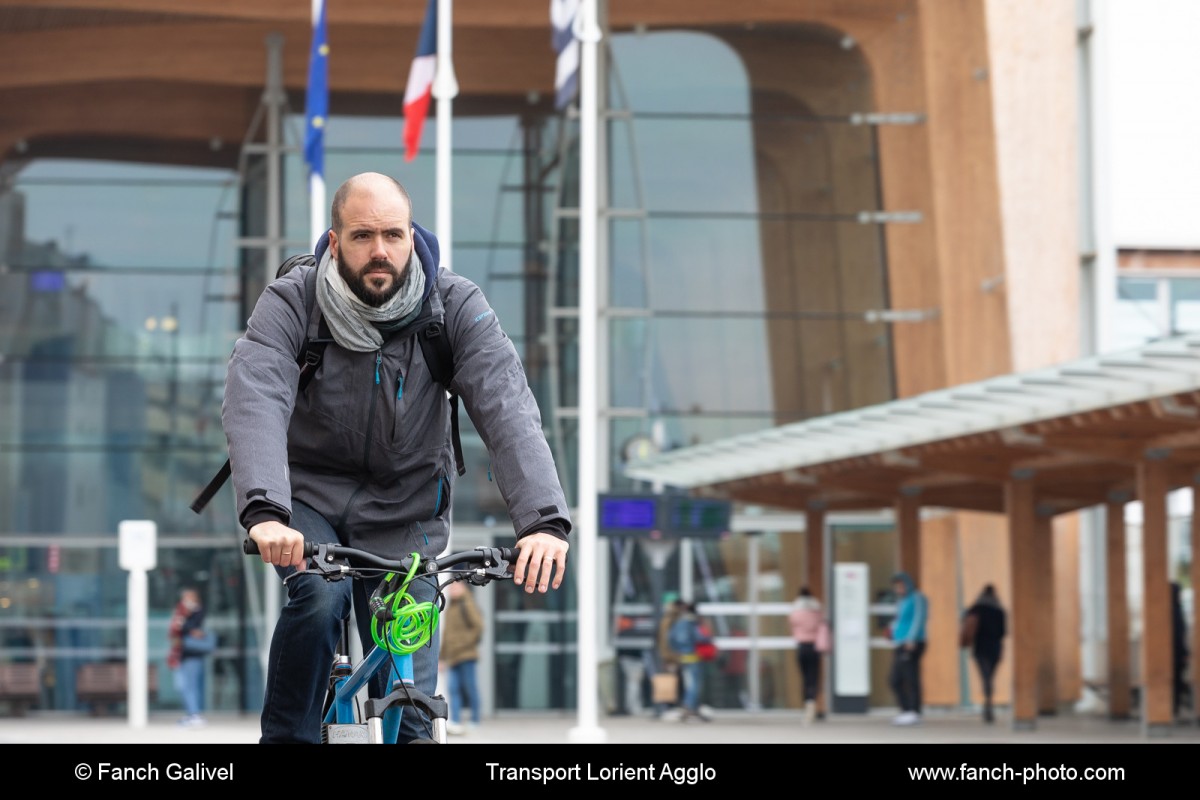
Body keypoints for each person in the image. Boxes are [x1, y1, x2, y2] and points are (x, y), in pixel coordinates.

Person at [221, 172, 572, 744]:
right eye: (362, 236)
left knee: (410, 706)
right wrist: (265, 511)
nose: (379, 250)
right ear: (334, 243)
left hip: (407, 509)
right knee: (317, 597)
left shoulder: (453, 306)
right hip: (309, 500)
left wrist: (543, 522)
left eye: (392, 234)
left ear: (412, 236)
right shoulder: (292, 302)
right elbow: (255, 396)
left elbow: (506, 404)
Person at [439, 579, 484, 735]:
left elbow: (478, 627)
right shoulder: (451, 606)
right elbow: (446, 635)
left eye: (456, 587)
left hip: (465, 655)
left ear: (463, 588)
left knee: (470, 688)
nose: (452, 590)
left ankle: (475, 719)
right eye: (451, 588)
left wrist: (462, 644)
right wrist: (441, 658)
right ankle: (456, 721)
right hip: (452, 657)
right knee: (453, 689)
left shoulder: (468, 604)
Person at [888, 571, 928, 726]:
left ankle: (914, 711)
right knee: (894, 679)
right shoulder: (901, 601)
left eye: (900, 585)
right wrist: (892, 635)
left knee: (910, 677)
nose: (898, 589)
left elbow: (919, 618)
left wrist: (911, 639)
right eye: (896, 587)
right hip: (900, 643)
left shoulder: (917, 598)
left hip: (912, 643)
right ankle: (906, 710)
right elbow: (898, 620)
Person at [962, 583, 1006, 723]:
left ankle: (987, 700)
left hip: (980, 647)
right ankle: (989, 700)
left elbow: (965, 620)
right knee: (990, 676)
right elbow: (1003, 632)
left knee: (985, 675)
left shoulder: (976, 609)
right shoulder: (999, 611)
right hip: (995, 648)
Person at [167, 587, 210, 727]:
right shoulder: (180, 611)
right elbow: (176, 629)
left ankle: (194, 714)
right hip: (183, 655)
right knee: (185, 686)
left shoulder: (197, 611)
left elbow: (186, 627)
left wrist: (186, 622)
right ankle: (192, 713)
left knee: (190, 686)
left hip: (193, 655)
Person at [667, 601, 712, 722]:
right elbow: (700, 637)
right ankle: (689, 706)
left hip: (683, 656)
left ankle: (691, 707)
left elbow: (670, 638)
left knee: (689, 681)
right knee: (695, 683)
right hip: (693, 655)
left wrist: (676, 651)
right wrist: (708, 637)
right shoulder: (692, 623)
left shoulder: (678, 623)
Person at [788, 586, 828, 724]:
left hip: (802, 647)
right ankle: (813, 706)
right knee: (814, 678)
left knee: (805, 678)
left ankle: (807, 708)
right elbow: (821, 625)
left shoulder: (796, 610)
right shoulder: (816, 610)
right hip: (814, 648)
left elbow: (792, 624)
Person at [1171, 581, 1189, 720]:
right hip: (1175, 654)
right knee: (1175, 683)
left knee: (1176, 683)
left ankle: (1173, 709)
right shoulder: (1175, 610)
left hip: (1176, 653)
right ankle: (1173, 709)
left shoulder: (1174, 609)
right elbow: (1180, 634)